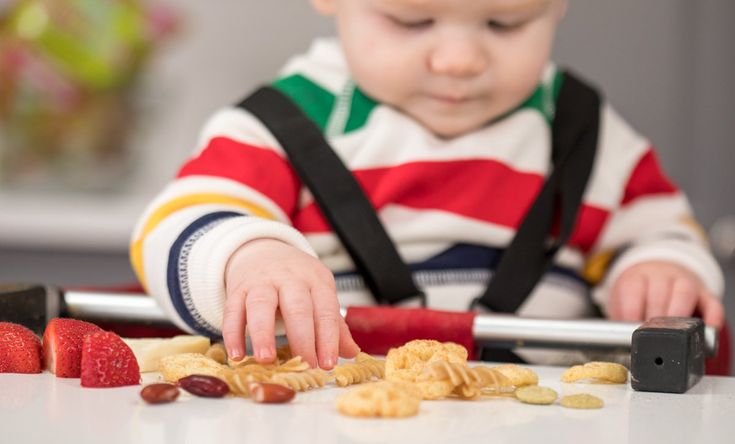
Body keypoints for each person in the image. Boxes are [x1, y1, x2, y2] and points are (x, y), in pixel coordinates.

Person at [130, 0, 725, 370]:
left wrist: (660, 270)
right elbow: (177, 224)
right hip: (326, 431)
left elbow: (658, 229)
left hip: (549, 443)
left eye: (505, 21)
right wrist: (246, 256)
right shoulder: (287, 123)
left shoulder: (584, 131)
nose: (459, 59)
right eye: (412, 19)